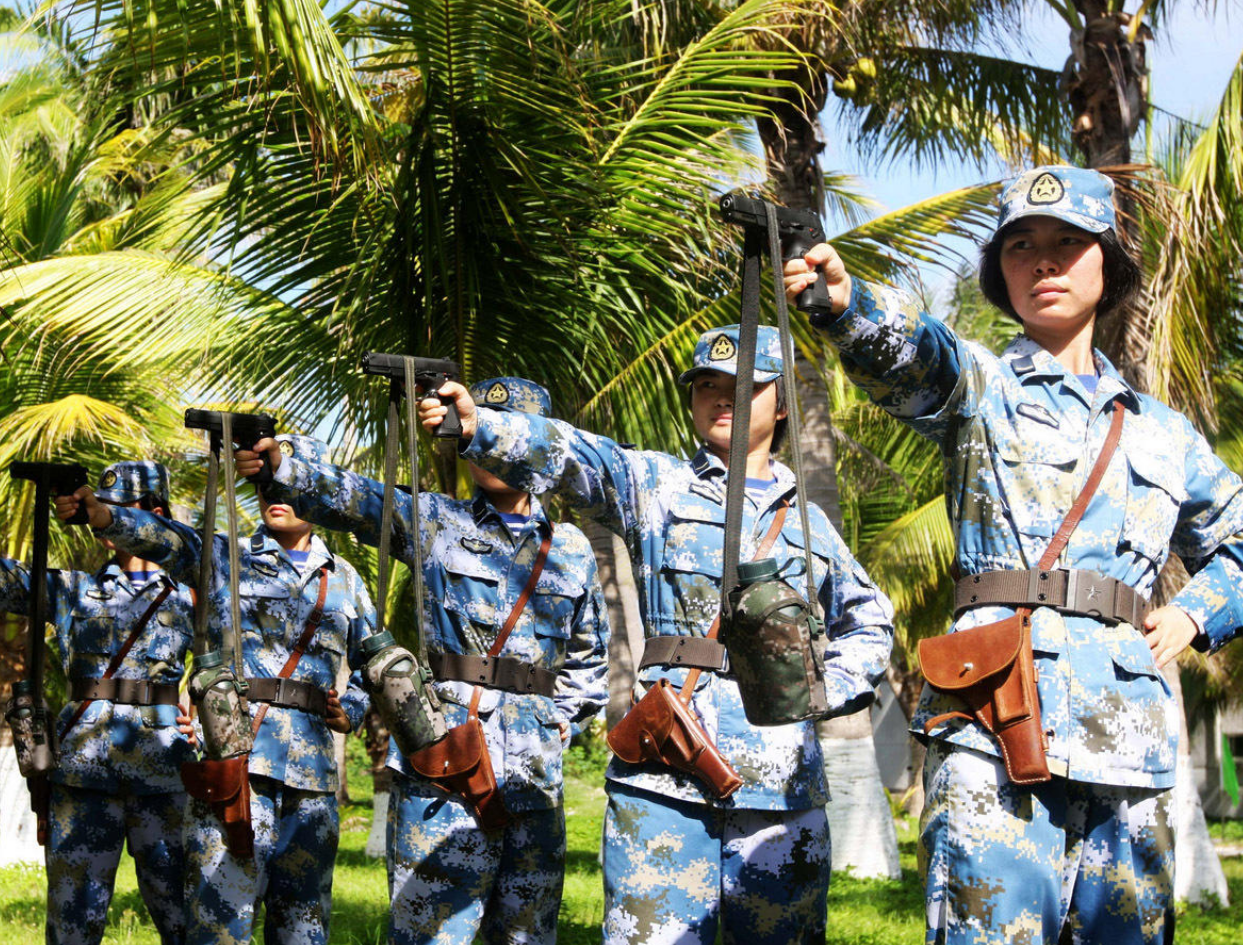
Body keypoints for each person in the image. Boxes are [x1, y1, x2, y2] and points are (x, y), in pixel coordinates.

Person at [787, 165, 1243, 944]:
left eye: (1069, 243)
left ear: (1111, 263)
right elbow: (912, 354)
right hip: (990, 729)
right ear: (1000, 272)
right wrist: (842, 305)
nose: (1044, 261)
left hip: (1126, 745)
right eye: (1021, 246)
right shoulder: (981, 387)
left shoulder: (1166, 434)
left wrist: (1196, 613)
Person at [417, 336, 894, 944]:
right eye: (707, 385)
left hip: (783, 792)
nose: (723, 397)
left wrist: (822, 691)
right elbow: (569, 453)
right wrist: (479, 427)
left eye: (746, 384)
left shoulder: (808, 519)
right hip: (663, 779)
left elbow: (871, 619)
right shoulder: (654, 485)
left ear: (781, 405)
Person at [240, 376, 609, 945]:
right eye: (469, 426)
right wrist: (282, 468)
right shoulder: (436, 521)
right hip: (445, 765)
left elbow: (589, 659)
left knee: (527, 935)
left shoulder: (573, 548)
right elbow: (355, 498)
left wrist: (554, 726)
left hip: (535, 780)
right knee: (429, 933)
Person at [59, 434, 376, 945]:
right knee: (218, 922)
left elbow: (372, 659)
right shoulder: (225, 558)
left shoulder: (347, 581)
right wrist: (102, 516)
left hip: (312, 780)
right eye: (266, 482)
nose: (276, 493)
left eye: (290, 483)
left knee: (304, 926)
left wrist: (351, 709)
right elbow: (163, 538)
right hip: (234, 767)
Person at [0, 461, 191, 945]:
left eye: (120, 509)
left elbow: (242, 660)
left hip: (165, 777)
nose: (102, 519)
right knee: (72, 925)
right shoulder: (75, 591)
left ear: (155, 514)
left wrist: (205, 715)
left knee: (184, 919)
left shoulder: (192, 594)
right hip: (82, 777)